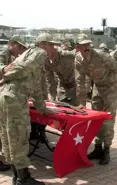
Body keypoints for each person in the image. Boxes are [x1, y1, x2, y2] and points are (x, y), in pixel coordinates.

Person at [0, 33, 57, 185]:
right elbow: (22, 68)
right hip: (15, 99)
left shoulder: (31, 57)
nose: (53, 48)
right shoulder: (39, 52)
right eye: (52, 45)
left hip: (6, 97)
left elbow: (37, 88)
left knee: (9, 137)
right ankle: (22, 179)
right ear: (43, 44)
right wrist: (5, 77)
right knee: (19, 137)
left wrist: (43, 109)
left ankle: (17, 176)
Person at [74, 34, 117, 165]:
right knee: (96, 119)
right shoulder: (78, 60)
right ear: (77, 47)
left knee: (108, 119)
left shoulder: (103, 56)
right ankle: (97, 148)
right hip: (97, 87)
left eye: (88, 44)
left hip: (111, 88)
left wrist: (109, 77)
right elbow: (80, 82)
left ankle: (106, 149)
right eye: (83, 45)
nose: (86, 47)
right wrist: (82, 104)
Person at [0, 35, 28, 172]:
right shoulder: (4, 52)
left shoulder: (13, 56)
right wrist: (4, 69)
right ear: (12, 44)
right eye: (20, 47)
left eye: (23, 48)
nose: (21, 50)